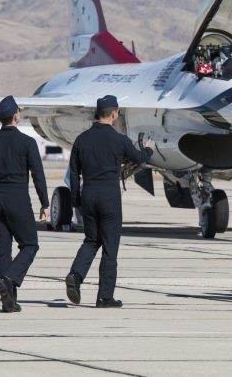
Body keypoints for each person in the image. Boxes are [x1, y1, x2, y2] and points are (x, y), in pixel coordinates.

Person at [65, 95, 154, 308]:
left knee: (91, 240)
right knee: (109, 247)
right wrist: (149, 148)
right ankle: (105, 297)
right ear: (114, 114)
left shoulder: (82, 139)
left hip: (88, 195)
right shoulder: (119, 140)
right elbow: (139, 158)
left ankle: (75, 275)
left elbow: (74, 173)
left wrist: (75, 200)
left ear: (98, 113)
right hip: (109, 197)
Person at [0, 95, 49, 312]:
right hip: (17, 196)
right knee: (30, 245)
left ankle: (8, 300)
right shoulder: (27, 143)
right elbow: (38, 175)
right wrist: (45, 203)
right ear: (16, 116)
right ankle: (9, 280)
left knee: (3, 250)